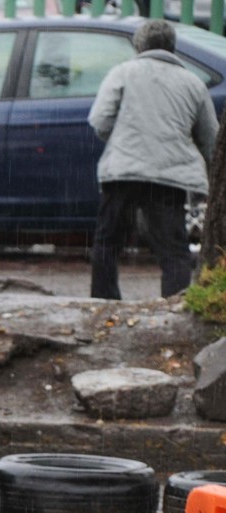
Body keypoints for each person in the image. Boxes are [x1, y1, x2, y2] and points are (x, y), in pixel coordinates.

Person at [88, 18, 218, 301]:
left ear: (139, 46)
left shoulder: (122, 73)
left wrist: (124, 141)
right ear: (172, 47)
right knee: (173, 250)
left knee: (107, 242)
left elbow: (100, 121)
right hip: (168, 177)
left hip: (123, 170)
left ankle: (104, 302)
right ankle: (174, 305)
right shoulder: (194, 84)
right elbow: (211, 141)